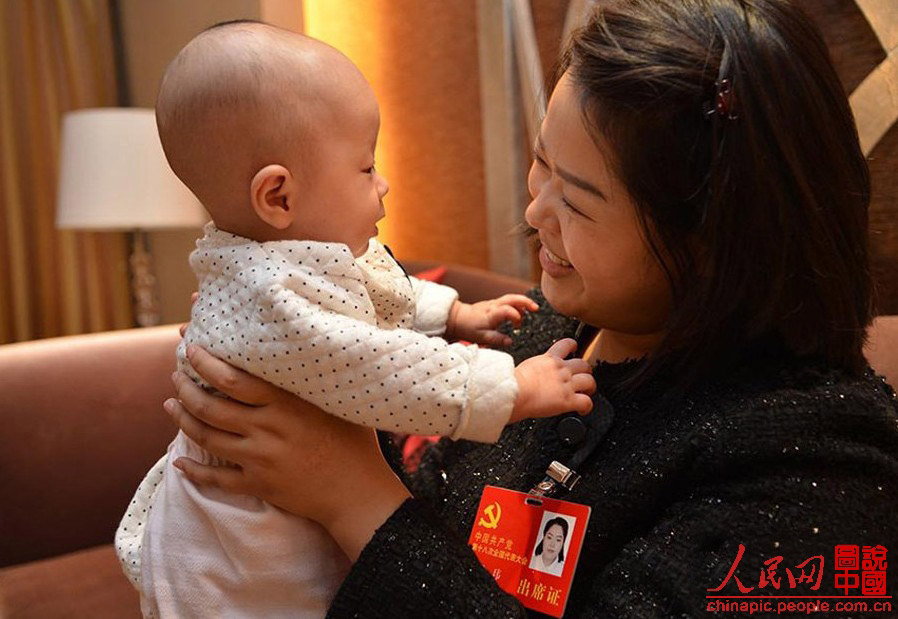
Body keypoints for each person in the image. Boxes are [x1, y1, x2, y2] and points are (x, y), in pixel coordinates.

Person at [162, 1, 898, 616]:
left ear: (716, 240)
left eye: (575, 199)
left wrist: (349, 495)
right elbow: (444, 503)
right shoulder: (556, 328)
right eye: (541, 160)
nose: (534, 209)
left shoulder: (818, 460)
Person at [114, 21, 597, 619]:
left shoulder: (281, 256)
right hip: (237, 543)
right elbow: (378, 365)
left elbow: (374, 290)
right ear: (279, 197)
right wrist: (514, 388)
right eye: (367, 168)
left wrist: (455, 312)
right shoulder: (270, 296)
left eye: (577, 196)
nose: (384, 184)